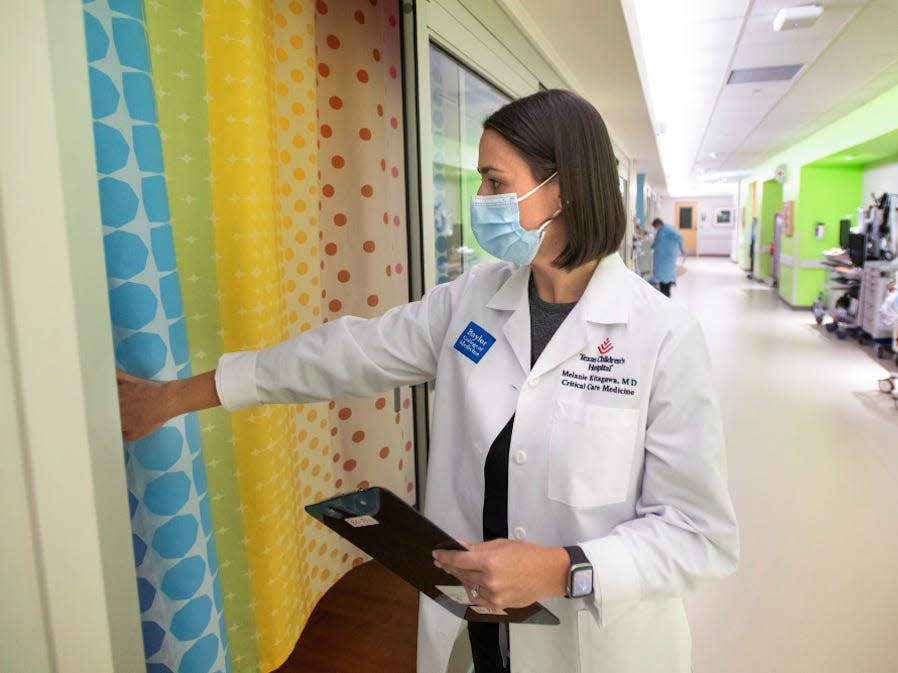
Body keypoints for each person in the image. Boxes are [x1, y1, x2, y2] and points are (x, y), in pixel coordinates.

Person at [118, 89, 738, 673]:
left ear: (565, 190)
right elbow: (345, 353)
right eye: (481, 182)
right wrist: (177, 396)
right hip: (477, 624)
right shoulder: (473, 300)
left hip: (593, 644)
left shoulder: (662, 337)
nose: (481, 202)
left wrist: (560, 569)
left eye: (496, 183)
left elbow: (697, 535)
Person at [650, 217, 685, 296]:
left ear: (658, 224)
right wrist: (653, 246)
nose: (655, 229)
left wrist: (681, 248)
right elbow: (657, 241)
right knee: (662, 279)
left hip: (667, 258)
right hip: (661, 259)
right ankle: (664, 294)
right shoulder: (660, 230)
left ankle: (666, 296)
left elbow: (679, 237)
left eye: (655, 226)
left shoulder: (668, 229)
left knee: (666, 278)